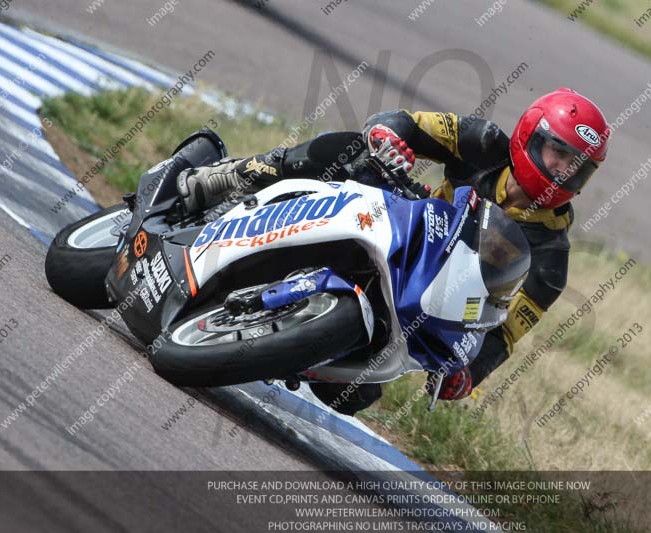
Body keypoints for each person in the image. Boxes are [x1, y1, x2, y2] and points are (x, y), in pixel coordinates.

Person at [177, 87, 611, 415]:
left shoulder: (552, 260)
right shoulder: (483, 143)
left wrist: (468, 375)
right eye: (558, 153)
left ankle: (293, 336)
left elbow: (503, 334)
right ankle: (231, 177)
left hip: (421, 298)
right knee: (349, 149)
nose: (562, 170)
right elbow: (410, 122)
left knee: (353, 395)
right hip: (404, 216)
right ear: (529, 137)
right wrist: (388, 134)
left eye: (578, 167)